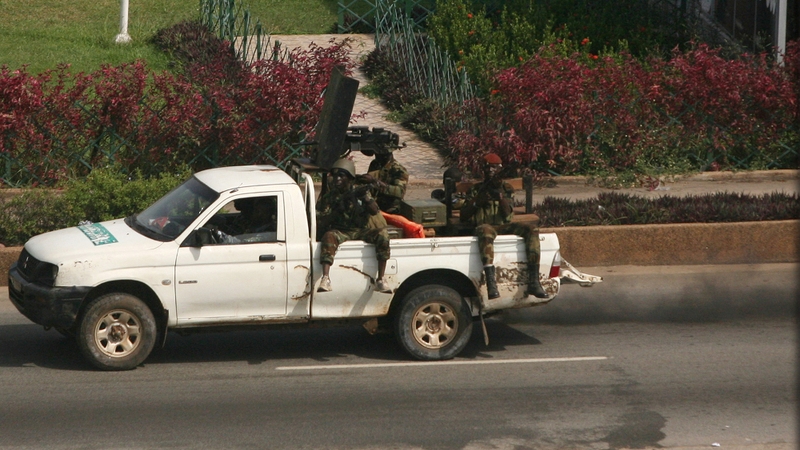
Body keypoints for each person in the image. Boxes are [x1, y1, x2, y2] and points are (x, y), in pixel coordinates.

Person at [459, 153, 548, 299]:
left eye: (496, 168)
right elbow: (464, 216)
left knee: (531, 230)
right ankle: (491, 284)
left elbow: (508, 214)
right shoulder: (476, 190)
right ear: (484, 170)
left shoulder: (506, 188)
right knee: (485, 231)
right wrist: (477, 202)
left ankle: (534, 282)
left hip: (504, 226)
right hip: (486, 226)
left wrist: (500, 198)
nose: (493, 171)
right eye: (490, 168)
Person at [317, 158, 391, 293]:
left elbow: (374, 211)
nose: (337, 179)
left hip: (361, 230)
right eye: (335, 176)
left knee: (383, 235)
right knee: (328, 236)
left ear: (350, 178)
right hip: (342, 231)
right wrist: (338, 208)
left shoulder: (360, 192)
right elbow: (321, 221)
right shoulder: (330, 197)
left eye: (341, 176)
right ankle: (325, 278)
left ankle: (381, 278)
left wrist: (365, 198)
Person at [357, 143, 409, 214]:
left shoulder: (398, 170)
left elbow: (399, 192)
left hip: (391, 209)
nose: (376, 156)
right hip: (375, 206)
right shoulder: (375, 164)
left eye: (378, 154)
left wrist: (375, 182)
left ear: (386, 154)